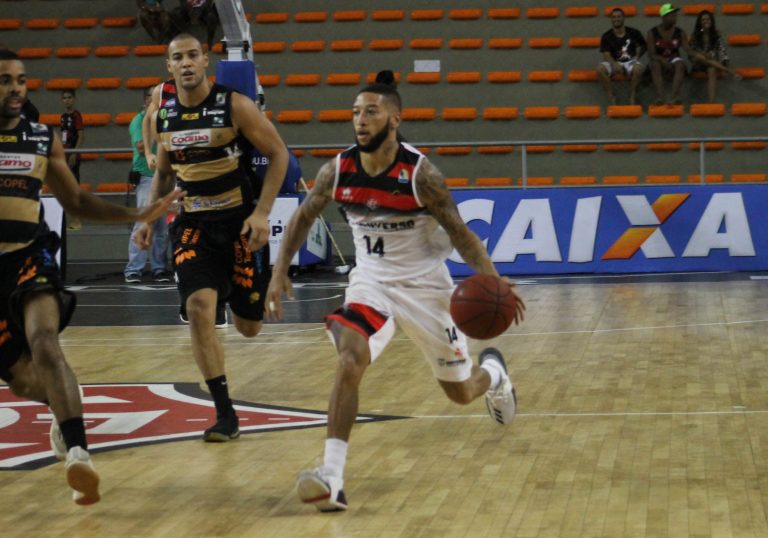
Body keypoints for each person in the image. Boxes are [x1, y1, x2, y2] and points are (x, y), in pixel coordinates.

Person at [265, 71, 526, 512]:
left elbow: (461, 235)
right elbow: (303, 216)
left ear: (395, 119)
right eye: (355, 112)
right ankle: (332, 476)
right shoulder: (337, 170)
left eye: (371, 112)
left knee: (461, 392)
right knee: (350, 359)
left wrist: (494, 280)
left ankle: (494, 374)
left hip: (426, 288)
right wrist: (278, 271)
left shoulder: (421, 175)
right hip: (372, 283)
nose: (360, 120)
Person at [0, 49, 183, 505]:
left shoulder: (41, 138)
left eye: (21, 79)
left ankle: (79, 453)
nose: (16, 88)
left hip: (29, 255)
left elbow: (77, 202)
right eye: (5, 80)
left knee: (45, 341)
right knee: (21, 380)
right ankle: (61, 406)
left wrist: (138, 214)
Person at [134, 33, 289, 441]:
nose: (185, 63)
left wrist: (262, 212)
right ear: (169, 66)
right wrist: (148, 217)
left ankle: (229, 288)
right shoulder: (164, 117)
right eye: (177, 58)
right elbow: (163, 174)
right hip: (194, 227)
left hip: (239, 226)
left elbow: (279, 154)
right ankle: (225, 414)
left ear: (206, 60)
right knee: (198, 309)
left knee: (249, 327)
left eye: (192, 55)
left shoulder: (234, 105)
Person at [124, 87, 170, 283]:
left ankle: (159, 267)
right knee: (143, 221)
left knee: (161, 227)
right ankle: (134, 268)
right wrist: (162, 138)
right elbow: (142, 147)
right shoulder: (139, 120)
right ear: (146, 100)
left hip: (163, 177)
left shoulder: (163, 119)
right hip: (146, 177)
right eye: (153, 98)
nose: (157, 101)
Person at [647, 3, 702, 105]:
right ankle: (660, 97)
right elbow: (651, 54)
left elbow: (688, 50)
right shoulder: (652, 33)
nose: (674, 18)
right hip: (658, 59)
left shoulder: (680, 32)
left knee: (680, 64)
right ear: (664, 17)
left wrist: (700, 56)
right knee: (655, 65)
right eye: (671, 15)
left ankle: (674, 96)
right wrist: (662, 60)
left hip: (674, 59)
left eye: (675, 15)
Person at [689, 10, 741, 103]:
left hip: (711, 62)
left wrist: (726, 62)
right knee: (701, 57)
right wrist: (703, 53)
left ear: (711, 21)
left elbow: (722, 51)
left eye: (708, 19)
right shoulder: (695, 35)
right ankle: (730, 71)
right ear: (700, 22)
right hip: (697, 63)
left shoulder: (716, 35)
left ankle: (712, 102)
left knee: (712, 69)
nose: (706, 21)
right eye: (703, 20)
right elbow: (692, 52)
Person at [597, 7, 647, 105]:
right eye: (614, 17)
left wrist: (637, 57)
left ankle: (632, 96)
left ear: (623, 18)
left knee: (638, 69)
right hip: (614, 61)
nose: (616, 19)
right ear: (611, 19)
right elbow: (606, 54)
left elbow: (644, 45)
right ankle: (611, 96)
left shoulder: (633, 32)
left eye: (619, 16)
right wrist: (614, 64)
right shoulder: (606, 36)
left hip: (630, 61)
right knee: (599, 69)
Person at [59, 89, 84, 229]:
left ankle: (77, 220)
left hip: (73, 156)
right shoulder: (63, 117)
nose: (67, 100)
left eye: (69, 97)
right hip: (65, 155)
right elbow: (63, 136)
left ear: (74, 99)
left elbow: (81, 135)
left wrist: (74, 153)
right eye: (64, 98)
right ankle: (71, 219)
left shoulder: (76, 115)